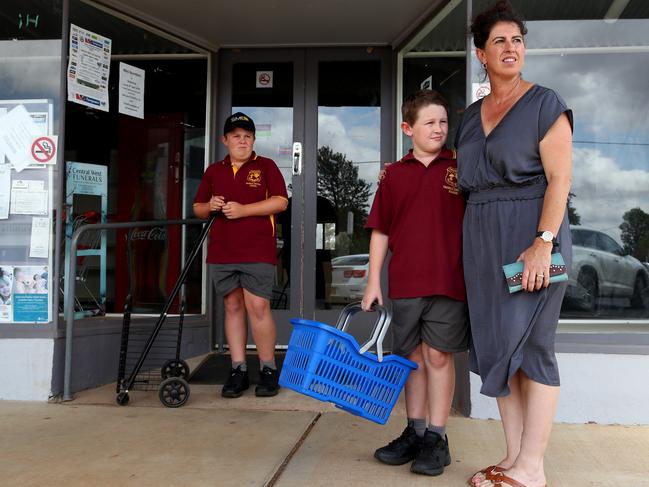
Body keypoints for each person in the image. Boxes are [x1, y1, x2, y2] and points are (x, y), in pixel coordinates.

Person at [455, 2, 573, 486]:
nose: (510, 48)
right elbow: (464, 177)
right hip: (482, 237)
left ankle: (532, 469)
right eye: (499, 41)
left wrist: (543, 242)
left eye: (517, 40)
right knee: (500, 345)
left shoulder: (545, 103)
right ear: (481, 52)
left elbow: (560, 180)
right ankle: (514, 459)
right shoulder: (468, 116)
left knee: (535, 344)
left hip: (532, 234)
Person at [362, 89, 469, 477]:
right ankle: (415, 430)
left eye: (443, 122)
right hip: (405, 282)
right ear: (408, 128)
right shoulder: (393, 174)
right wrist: (373, 280)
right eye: (430, 122)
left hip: (449, 280)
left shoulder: (461, 166)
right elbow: (380, 231)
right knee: (410, 360)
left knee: (439, 356)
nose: (439, 129)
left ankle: (437, 439)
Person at [193, 112, 289, 398]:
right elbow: (198, 208)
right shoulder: (214, 170)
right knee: (232, 306)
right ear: (225, 140)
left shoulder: (267, 166)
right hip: (223, 250)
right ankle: (238, 370)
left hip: (257, 249)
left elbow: (281, 202)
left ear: (254, 140)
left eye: (247, 136)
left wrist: (244, 210)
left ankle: (268, 369)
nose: (242, 141)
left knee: (258, 307)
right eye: (236, 136)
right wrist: (209, 204)